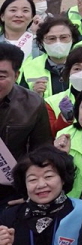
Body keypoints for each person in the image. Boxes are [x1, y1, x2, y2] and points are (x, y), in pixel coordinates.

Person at [0, 42, 50, 203]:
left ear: (16, 76)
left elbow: (42, 151)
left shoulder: (33, 104)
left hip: (11, 189)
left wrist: (31, 193)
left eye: (1, 76)